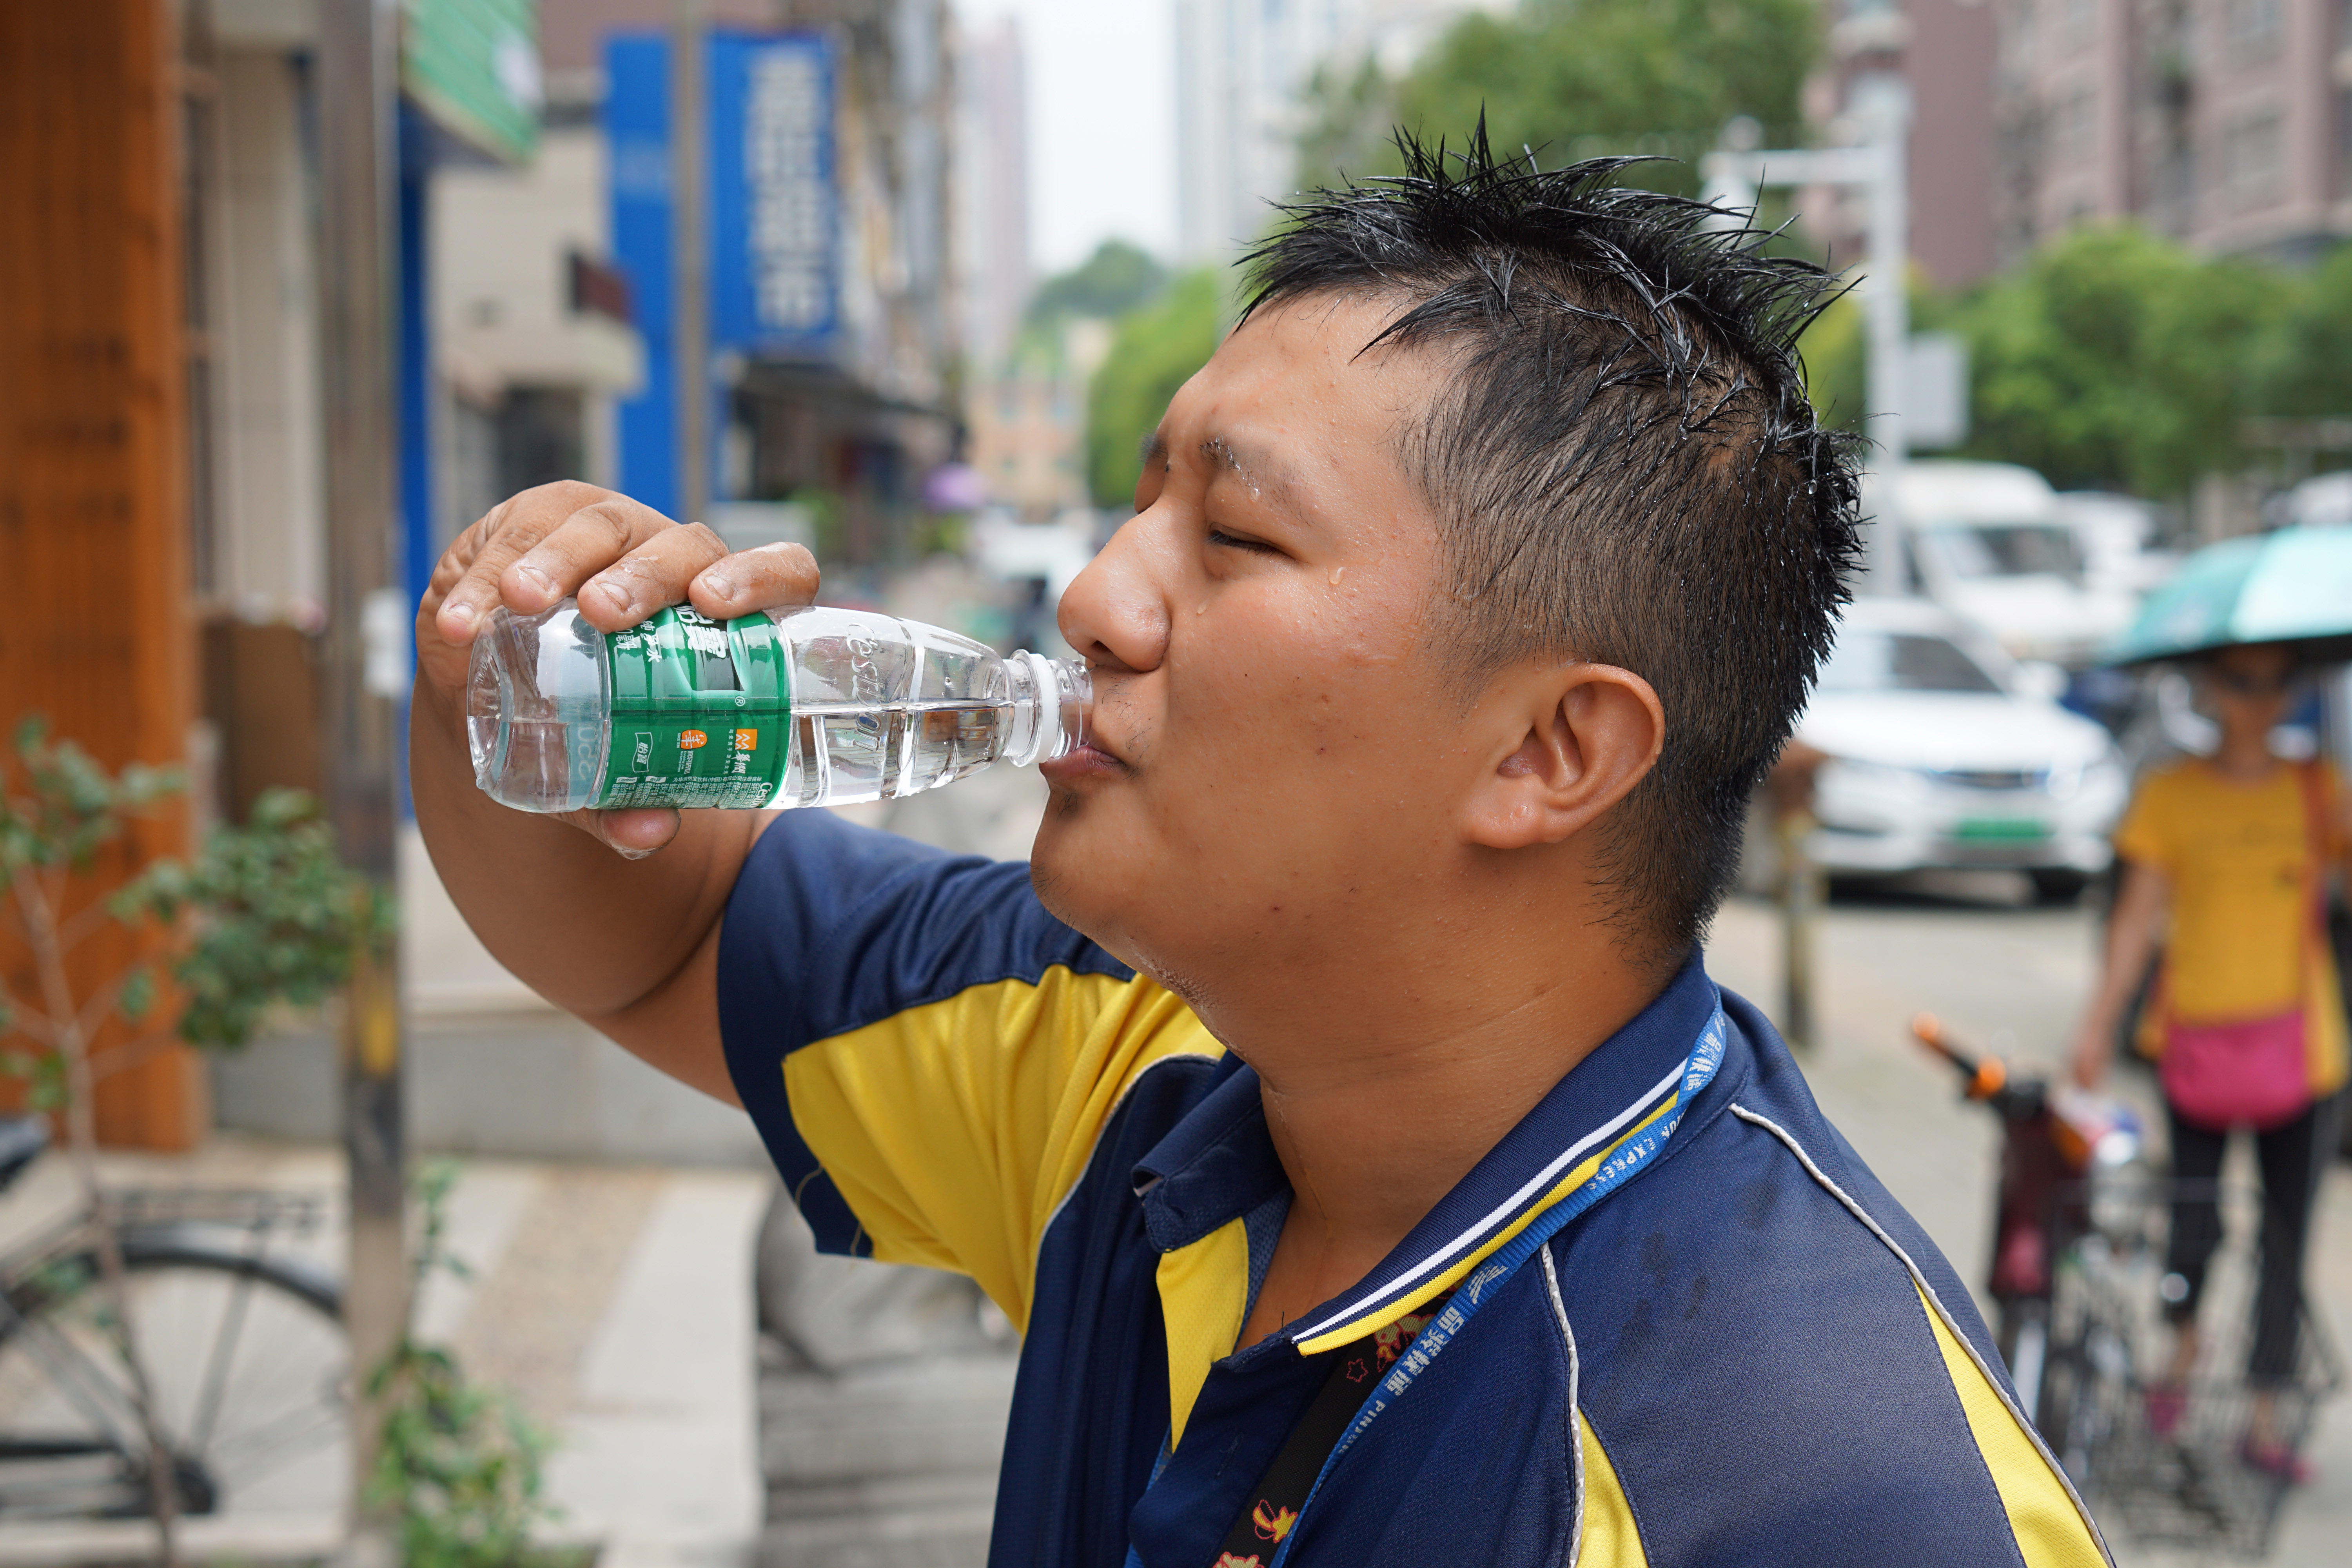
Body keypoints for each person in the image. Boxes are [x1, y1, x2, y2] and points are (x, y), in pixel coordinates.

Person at [414, 136, 2108, 1567]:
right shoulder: (1126, 1058)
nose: (1095, 597)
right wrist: (496, 652)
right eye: (1140, 501)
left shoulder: (1830, 1492)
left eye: (1232, 532)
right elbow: (657, 939)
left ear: (1548, 750)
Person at [2071, 642, 2349, 1482]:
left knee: (2287, 1234)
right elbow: (2135, 920)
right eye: (2240, 681)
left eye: (2276, 682)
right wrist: (2096, 1026)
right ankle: (2179, 1365)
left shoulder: (2319, 788)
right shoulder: (2171, 793)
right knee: (2194, 1221)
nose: (2258, 699)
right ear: (2208, 688)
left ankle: (2265, 1409)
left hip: (2304, 1053)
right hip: (2194, 1046)